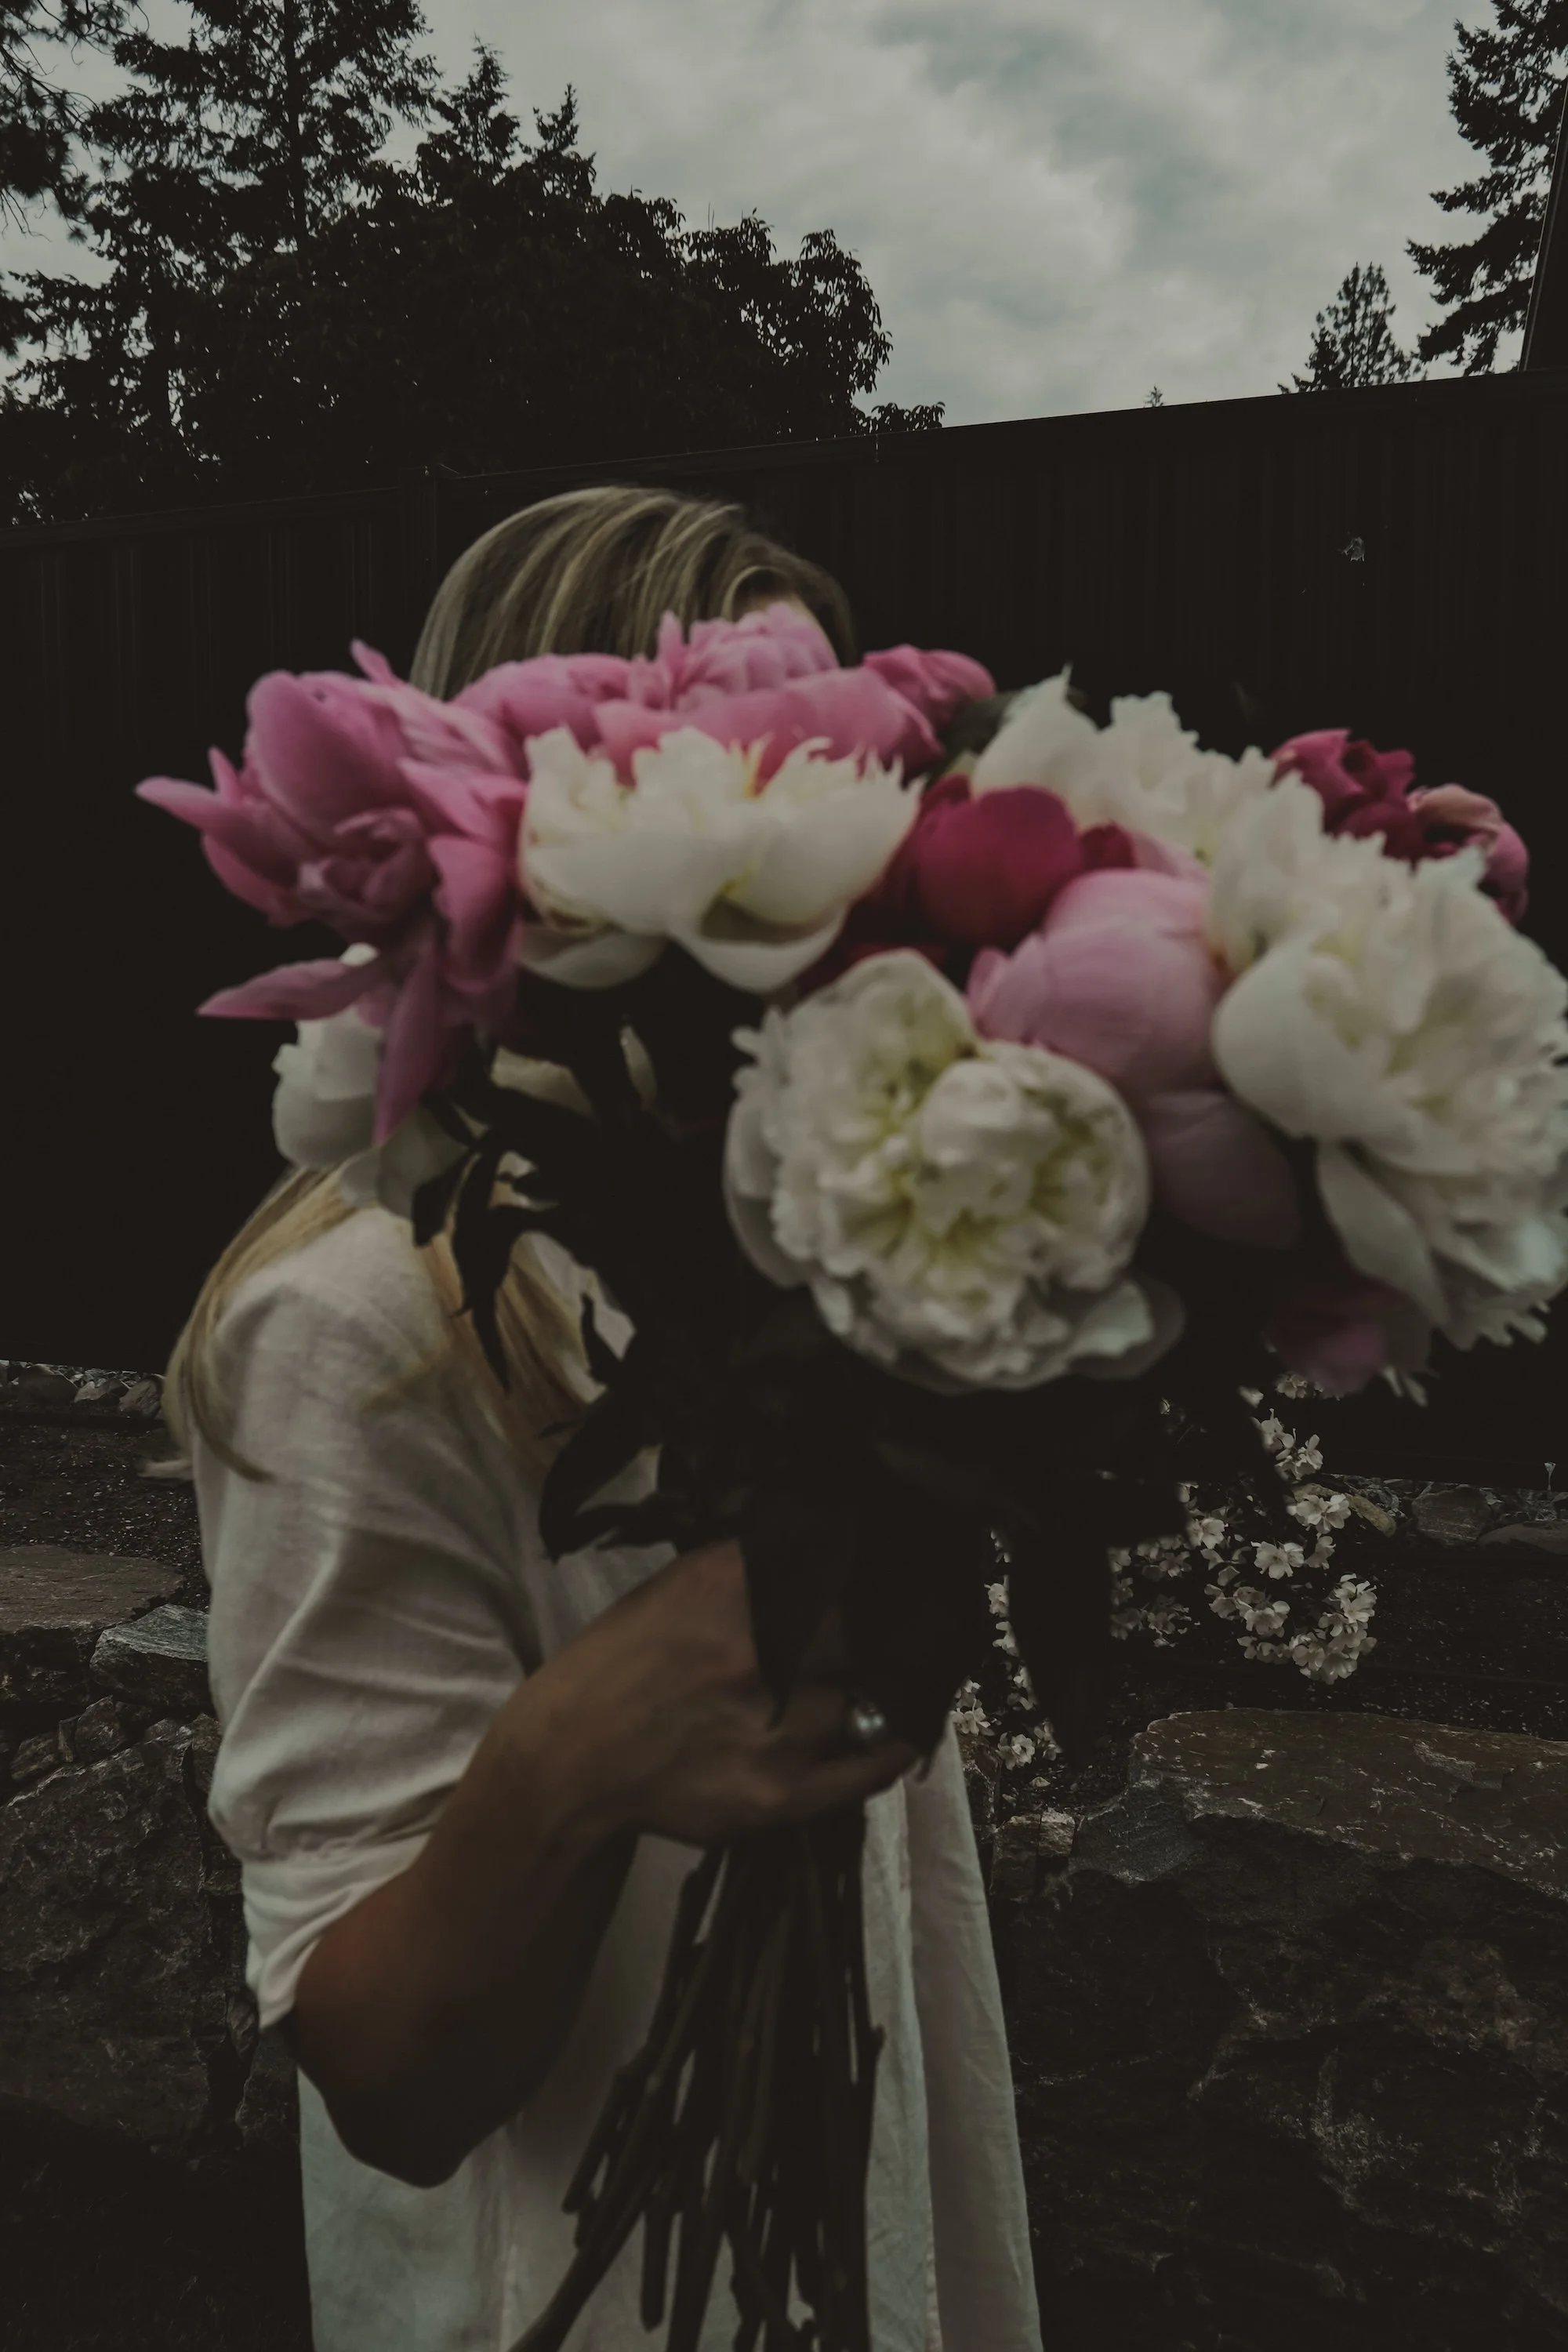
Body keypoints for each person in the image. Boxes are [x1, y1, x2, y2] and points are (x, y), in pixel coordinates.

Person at [177, 485, 1044, 2352]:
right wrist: (565, 1762)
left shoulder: (820, 1260)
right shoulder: (359, 1326)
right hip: (568, 2281)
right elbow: (384, 2081)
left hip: (853, 2179)